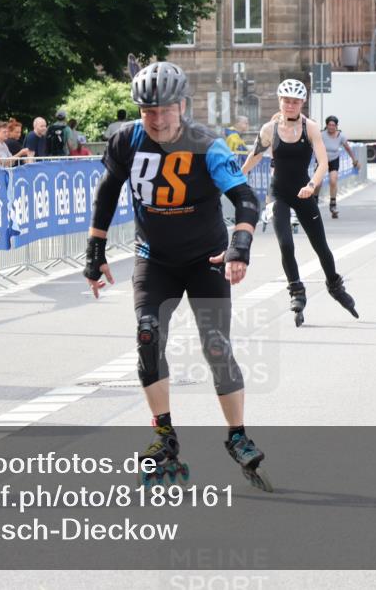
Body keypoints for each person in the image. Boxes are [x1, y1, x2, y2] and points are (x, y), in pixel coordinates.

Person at [83, 61, 271, 491]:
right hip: (155, 259)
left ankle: (237, 435)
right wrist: (95, 252)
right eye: (149, 111)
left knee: (216, 346)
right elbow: (108, 192)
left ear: (182, 105)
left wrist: (239, 249)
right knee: (148, 337)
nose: (158, 119)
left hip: (207, 259)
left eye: (166, 109)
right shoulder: (125, 140)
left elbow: (245, 198)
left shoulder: (208, 144)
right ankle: (165, 435)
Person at [241, 79, 359, 327]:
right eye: (286, 100)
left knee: (321, 246)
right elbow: (254, 157)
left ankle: (334, 285)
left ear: (302, 103)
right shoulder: (269, 130)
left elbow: (323, 164)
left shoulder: (311, 128)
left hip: (305, 191)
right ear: (280, 101)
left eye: (295, 101)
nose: (290, 105)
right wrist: (236, 179)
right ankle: (296, 290)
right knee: (285, 243)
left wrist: (312, 186)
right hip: (278, 194)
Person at [318, 115, 359, 219]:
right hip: (322, 160)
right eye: (329, 125)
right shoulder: (321, 135)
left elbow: (348, 148)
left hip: (334, 160)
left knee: (333, 180)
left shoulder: (341, 136)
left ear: (336, 126)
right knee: (318, 183)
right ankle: (314, 200)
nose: (331, 127)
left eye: (333, 125)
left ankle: (333, 204)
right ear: (326, 125)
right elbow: (313, 145)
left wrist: (354, 159)